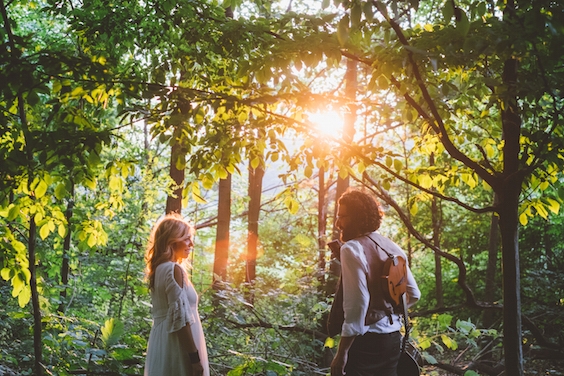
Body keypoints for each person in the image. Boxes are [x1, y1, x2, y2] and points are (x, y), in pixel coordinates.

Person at [329, 188, 421, 376]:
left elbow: (358, 305)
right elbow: (414, 294)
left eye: (343, 216)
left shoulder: (351, 249)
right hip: (392, 340)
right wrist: (387, 311)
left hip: (365, 344)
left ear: (357, 217)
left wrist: (342, 352)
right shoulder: (391, 247)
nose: (338, 223)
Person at [144, 214, 209, 376]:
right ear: (172, 241)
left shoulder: (158, 269)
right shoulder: (173, 269)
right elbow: (180, 320)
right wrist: (194, 359)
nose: (191, 244)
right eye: (186, 239)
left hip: (162, 342)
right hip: (178, 347)